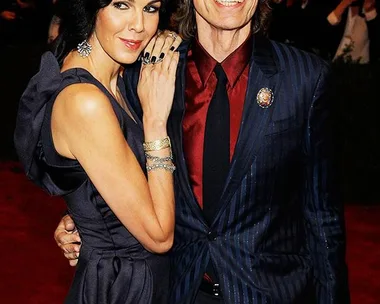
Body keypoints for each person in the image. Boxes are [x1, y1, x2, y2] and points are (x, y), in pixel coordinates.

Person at [54, 0, 350, 303]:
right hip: (176, 290)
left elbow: (322, 216)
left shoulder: (305, 78)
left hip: (272, 293)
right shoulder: (147, 71)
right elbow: (125, 167)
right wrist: (83, 215)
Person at [14, 0, 182, 303]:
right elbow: (159, 236)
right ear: (92, 9)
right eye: (122, 5)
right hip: (125, 286)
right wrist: (155, 123)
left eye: (150, 8)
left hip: (135, 276)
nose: (139, 25)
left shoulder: (115, 76)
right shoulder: (84, 101)